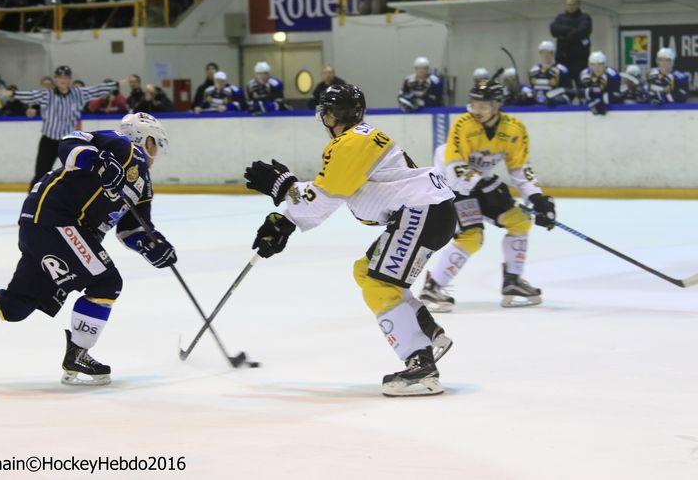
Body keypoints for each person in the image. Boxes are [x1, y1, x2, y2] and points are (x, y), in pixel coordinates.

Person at [0, 113, 175, 386]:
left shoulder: (143, 185)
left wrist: (152, 245)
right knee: (107, 283)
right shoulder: (121, 145)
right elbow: (69, 141)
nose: (156, 153)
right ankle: (78, 354)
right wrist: (96, 161)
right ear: (145, 138)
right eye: (155, 144)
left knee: (17, 305)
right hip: (56, 220)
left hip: (50, 227)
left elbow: (132, 229)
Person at [244, 84, 457, 396]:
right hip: (429, 211)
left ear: (331, 116)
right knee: (366, 271)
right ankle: (427, 332)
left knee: (378, 285)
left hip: (422, 212)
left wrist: (284, 188)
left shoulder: (348, 144)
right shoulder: (363, 138)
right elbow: (334, 190)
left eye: (326, 113)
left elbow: (323, 198)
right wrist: (286, 220)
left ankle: (420, 364)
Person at [419, 80, 556, 311]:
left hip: (479, 183)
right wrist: (483, 183)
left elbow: (520, 169)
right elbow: (455, 166)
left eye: (483, 105)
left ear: (497, 105)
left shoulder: (514, 129)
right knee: (472, 237)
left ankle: (512, 281)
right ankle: (433, 287)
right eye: (474, 104)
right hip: (453, 186)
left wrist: (537, 198)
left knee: (520, 222)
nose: (477, 110)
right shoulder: (463, 124)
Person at [4, 66, 122, 188]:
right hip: (49, 141)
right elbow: (31, 95)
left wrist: (117, 84)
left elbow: (96, 90)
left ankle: (71, 199)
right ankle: (33, 198)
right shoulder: (47, 95)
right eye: (60, 77)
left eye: (66, 77)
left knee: (72, 174)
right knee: (40, 174)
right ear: (55, 79)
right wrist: (13, 94)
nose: (63, 80)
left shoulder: (78, 94)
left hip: (68, 142)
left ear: (70, 79)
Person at [549, 0, 592, 81]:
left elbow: (582, 31)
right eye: (568, 4)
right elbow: (553, 29)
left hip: (579, 60)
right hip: (562, 58)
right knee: (562, 84)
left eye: (573, 4)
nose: (571, 7)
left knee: (581, 84)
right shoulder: (560, 18)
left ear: (578, 5)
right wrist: (571, 30)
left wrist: (563, 35)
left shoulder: (585, 18)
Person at [529, 40, 573, 106]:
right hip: (536, 107)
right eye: (543, 52)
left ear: (553, 53)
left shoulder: (562, 70)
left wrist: (558, 101)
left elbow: (569, 92)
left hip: (555, 108)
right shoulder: (533, 70)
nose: (545, 55)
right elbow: (532, 90)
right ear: (540, 53)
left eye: (548, 52)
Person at [579, 51, 621, 115]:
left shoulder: (613, 75)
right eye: (593, 64)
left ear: (605, 64)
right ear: (589, 65)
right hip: (591, 102)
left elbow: (615, 94)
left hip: (609, 102)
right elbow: (582, 93)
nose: (597, 68)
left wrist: (603, 101)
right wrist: (591, 102)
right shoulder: (584, 74)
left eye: (600, 64)